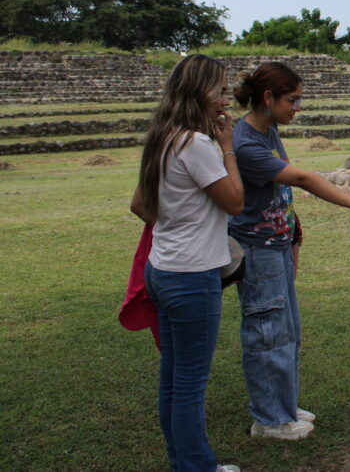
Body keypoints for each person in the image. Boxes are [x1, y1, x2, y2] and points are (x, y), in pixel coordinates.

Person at [229, 62, 350, 440]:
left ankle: (282, 404)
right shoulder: (246, 143)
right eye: (292, 99)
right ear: (268, 98)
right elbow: (302, 178)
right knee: (267, 331)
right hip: (257, 249)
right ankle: (270, 419)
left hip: (277, 243)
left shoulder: (267, 130)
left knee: (287, 330)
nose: (297, 107)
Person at [130, 54, 244, 472]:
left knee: (174, 378)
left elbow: (139, 205)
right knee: (190, 384)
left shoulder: (163, 137)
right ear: (199, 93)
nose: (226, 100)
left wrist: (177, 224)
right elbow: (235, 202)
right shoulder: (196, 144)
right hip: (193, 277)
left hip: (162, 269)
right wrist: (227, 148)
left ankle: (184, 463)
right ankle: (197, 467)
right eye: (220, 91)